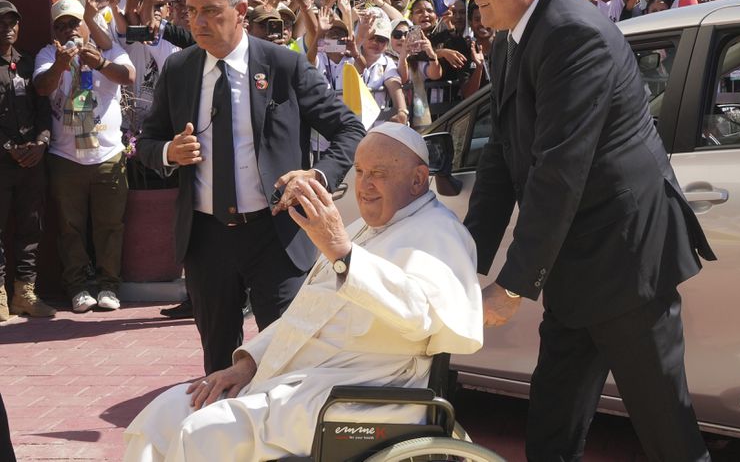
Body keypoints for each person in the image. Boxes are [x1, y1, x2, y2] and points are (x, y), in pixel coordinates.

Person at [460, 0, 716, 461]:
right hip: (573, 267)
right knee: (552, 429)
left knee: (668, 433)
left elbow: (559, 167)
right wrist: (465, 261)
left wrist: (512, 286)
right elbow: (502, 157)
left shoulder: (576, 34)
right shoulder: (511, 37)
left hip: (626, 268)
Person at [123, 123, 483, 461]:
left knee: (202, 432)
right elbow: (307, 312)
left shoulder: (438, 235)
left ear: (418, 180)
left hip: (360, 397)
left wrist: (343, 254)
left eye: (378, 174)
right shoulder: (363, 229)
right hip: (299, 383)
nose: (364, 185)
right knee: (162, 413)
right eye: (359, 172)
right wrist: (248, 363)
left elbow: (421, 317)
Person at [135, 0, 365, 375]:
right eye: (191, 11)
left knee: (286, 356)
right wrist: (170, 151)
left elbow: (349, 128)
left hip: (275, 234)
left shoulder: (284, 66)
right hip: (207, 239)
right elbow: (146, 143)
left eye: (210, 11)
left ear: (241, 10)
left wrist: (318, 177)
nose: (198, 22)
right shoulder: (180, 69)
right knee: (219, 361)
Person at [33, 0, 135, 313]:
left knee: (109, 226)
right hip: (67, 157)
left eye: (73, 23)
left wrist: (101, 64)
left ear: (86, 25)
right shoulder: (49, 54)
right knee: (69, 228)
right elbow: (40, 86)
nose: (68, 30)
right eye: (60, 25)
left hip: (107, 156)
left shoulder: (108, 50)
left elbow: (128, 75)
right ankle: (77, 287)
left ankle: (108, 286)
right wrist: (62, 65)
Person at [0, 1, 56, 320]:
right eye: (1, 21)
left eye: (13, 21)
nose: (8, 26)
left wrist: (41, 143)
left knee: (30, 228)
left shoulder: (30, 64)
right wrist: (8, 146)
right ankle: (0, 295)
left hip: (32, 161)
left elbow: (44, 111)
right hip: (2, 163)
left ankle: (25, 293)